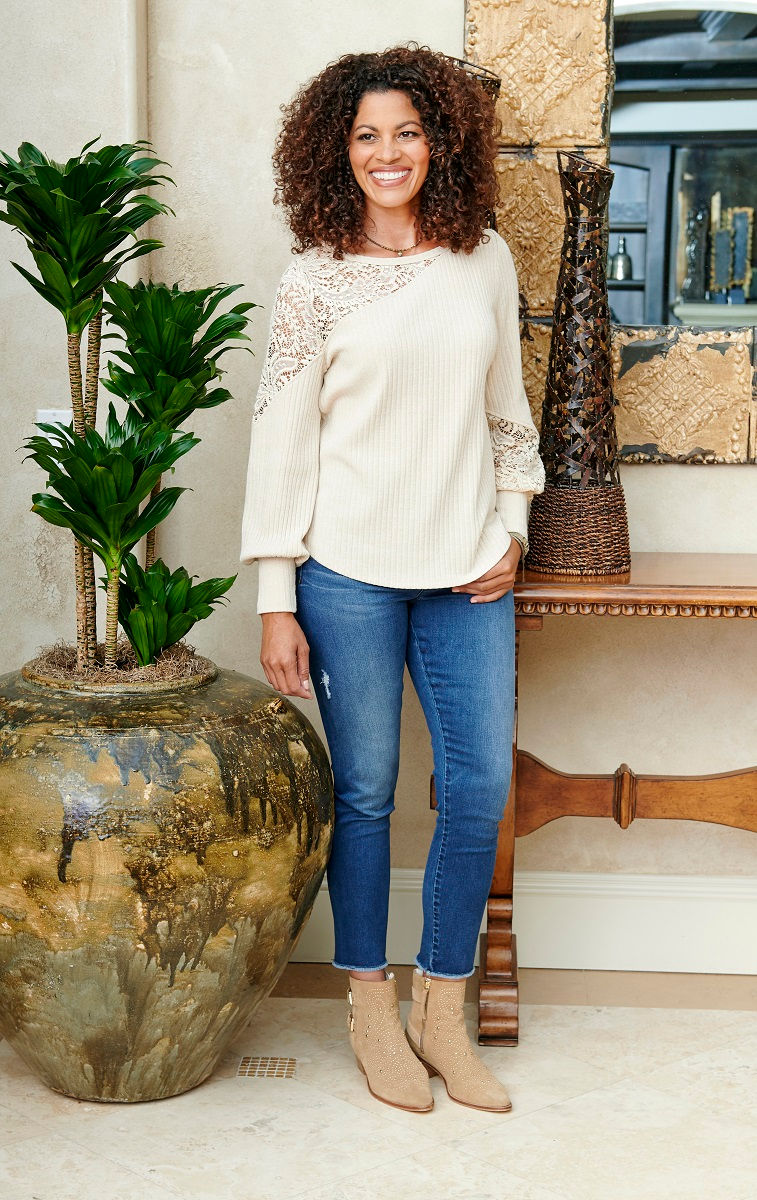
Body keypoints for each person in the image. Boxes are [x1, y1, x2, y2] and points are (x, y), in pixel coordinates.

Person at [239, 43, 545, 1115]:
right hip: (346, 575)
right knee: (363, 792)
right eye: (366, 134)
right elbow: (281, 443)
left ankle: (440, 1011)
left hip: (466, 565)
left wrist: (510, 524)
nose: (387, 152)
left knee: (476, 790)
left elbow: (508, 408)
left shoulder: (484, 258)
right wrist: (277, 594)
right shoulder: (312, 278)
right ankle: (370, 1006)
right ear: (337, 147)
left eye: (406, 131)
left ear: (440, 141)